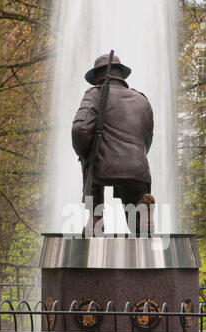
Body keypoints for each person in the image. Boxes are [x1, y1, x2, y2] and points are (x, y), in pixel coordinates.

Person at [72, 53, 155, 235]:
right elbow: (147, 138)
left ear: (97, 77)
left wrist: (85, 154)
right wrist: (136, 155)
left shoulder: (94, 94)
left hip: (102, 168)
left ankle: (95, 219)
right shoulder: (143, 100)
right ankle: (142, 216)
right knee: (136, 211)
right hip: (138, 168)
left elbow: (80, 130)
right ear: (121, 75)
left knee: (89, 162)